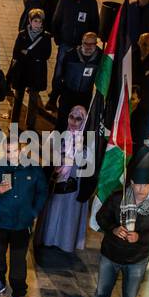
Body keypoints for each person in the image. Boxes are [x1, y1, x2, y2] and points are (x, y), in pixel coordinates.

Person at [81, 154, 149, 297]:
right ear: (131, 183)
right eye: (137, 185)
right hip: (111, 254)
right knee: (102, 292)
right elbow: (101, 217)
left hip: (137, 259)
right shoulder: (118, 198)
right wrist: (113, 229)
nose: (141, 190)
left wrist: (140, 237)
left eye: (146, 185)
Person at [0, 139, 48, 297]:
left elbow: (42, 191)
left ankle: (18, 292)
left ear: (23, 150)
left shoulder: (34, 169)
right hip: (0, 222)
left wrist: (34, 212)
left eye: (16, 150)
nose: (12, 155)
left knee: (18, 260)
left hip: (21, 224)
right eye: (8, 151)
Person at [35, 106, 91, 255]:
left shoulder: (87, 140)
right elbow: (47, 157)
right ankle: (47, 239)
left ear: (84, 121)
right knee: (52, 209)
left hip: (74, 184)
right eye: (71, 117)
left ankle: (65, 243)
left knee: (68, 213)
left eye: (78, 119)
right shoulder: (59, 134)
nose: (73, 121)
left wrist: (79, 150)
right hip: (56, 181)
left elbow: (87, 162)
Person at [50, 0, 99, 108]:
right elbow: (57, 20)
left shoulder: (91, 3)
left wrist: (90, 42)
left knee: (76, 73)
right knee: (59, 71)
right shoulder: (65, 2)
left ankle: (74, 99)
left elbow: (95, 23)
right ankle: (53, 97)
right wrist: (58, 39)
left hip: (82, 47)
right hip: (65, 44)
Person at [7, 8, 52, 129]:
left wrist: (27, 53)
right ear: (30, 21)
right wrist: (35, 56)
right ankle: (14, 121)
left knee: (33, 100)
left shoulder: (46, 37)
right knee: (18, 98)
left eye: (39, 21)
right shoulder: (22, 34)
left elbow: (46, 55)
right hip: (22, 71)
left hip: (36, 73)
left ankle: (30, 124)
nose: (37, 24)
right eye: (35, 21)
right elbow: (16, 53)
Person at [52, 31, 101, 129]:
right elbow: (60, 74)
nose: (88, 47)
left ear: (96, 44)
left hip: (85, 96)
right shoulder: (71, 54)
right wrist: (56, 95)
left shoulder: (100, 58)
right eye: (86, 43)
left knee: (80, 123)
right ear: (82, 42)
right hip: (68, 94)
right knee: (62, 121)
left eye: (92, 44)